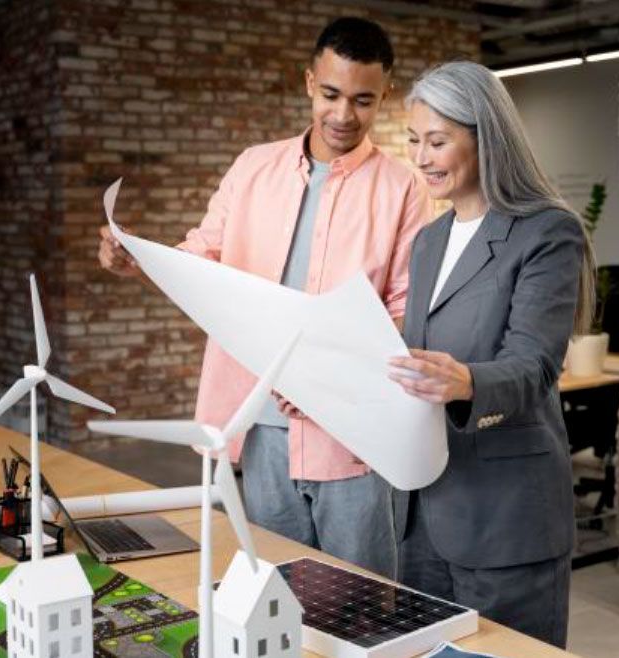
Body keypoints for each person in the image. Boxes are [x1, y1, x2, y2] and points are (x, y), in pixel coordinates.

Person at [98, 17, 431, 578]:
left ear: (384, 96)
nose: (343, 115)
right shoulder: (254, 166)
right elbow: (201, 255)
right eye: (330, 94)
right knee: (276, 593)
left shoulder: (403, 187)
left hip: (348, 436)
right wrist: (138, 259)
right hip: (256, 429)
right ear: (308, 82)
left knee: (360, 601)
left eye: (362, 100)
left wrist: (332, 381)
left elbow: (404, 310)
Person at [387, 61, 596, 648]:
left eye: (437, 141)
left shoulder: (547, 232)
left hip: (505, 518)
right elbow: (415, 357)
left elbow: (534, 366)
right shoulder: (428, 242)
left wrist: (466, 382)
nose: (421, 157)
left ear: (485, 136)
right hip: (424, 508)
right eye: (414, 141)